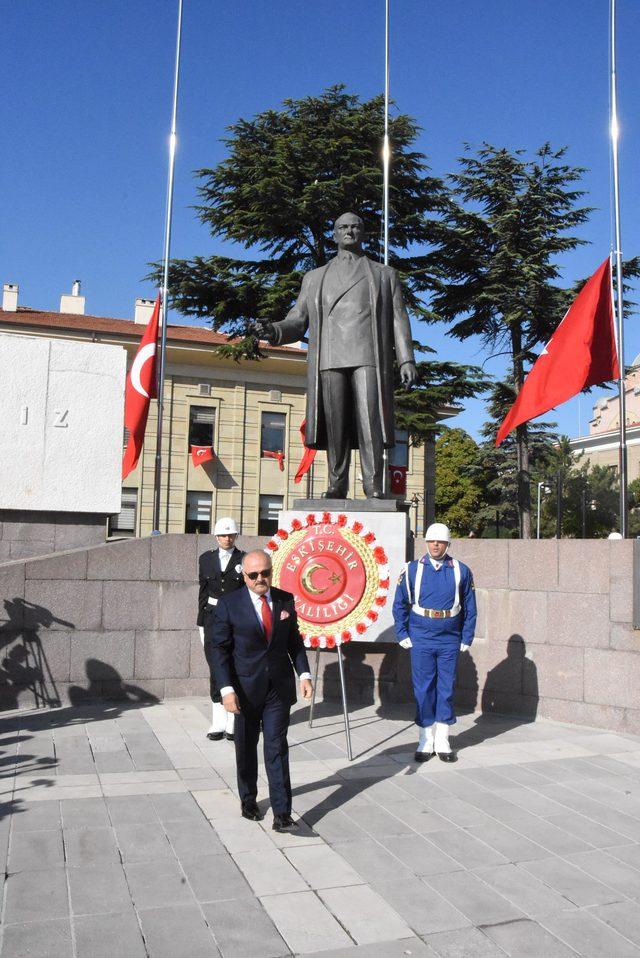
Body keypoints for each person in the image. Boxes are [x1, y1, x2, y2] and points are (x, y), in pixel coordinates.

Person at [256, 212, 417, 498]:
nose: (349, 231)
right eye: (343, 227)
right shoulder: (315, 278)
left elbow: (398, 319)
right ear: (334, 235)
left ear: (363, 233)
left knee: (371, 422)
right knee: (335, 425)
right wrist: (274, 330)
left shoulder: (384, 274)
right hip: (330, 357)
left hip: (368, 355)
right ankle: (337, 482)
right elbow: (298, 319)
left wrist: (406, 359)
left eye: (355, 227)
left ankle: (373, 484)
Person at [209, 550, 313, 831]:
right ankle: (248, 799)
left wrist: (304, 673)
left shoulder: (284, 600)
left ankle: (282, 813)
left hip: (278, 689)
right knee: (246, 747)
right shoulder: (229, 604)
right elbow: (218, 650)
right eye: (253, 575)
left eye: (264, 573)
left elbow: (294, 641)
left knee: (276, 747)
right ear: (244, 576)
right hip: (243, 690)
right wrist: (226, 689)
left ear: (271, 571)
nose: (259, 579)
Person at [392, 522, 477, 763]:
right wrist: (402, 633)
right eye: (431, 541)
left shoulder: (461, 570)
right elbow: (399, 604)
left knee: (446, 688)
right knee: (423, 688)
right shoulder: (412, 570)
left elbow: (470, 607)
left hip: (450, 636)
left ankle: (443, 741)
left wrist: (466, 636)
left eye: (440, 541)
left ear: (448, 544)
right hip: (421, 635)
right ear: (426, 543)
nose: (435, 545)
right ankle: (425, 740)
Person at [198, 516, 245, 741]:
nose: (227, 538)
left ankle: (234, 720)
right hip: (211, 620)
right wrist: (200, 622)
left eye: (230, 535)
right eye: (223, 535)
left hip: (236, 620)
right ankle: (218, 721)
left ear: (236, 536)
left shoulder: (244, 559)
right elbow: (203, 591)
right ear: (216, 536)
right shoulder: (205, 559)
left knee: (235, 666)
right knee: (215, 667)